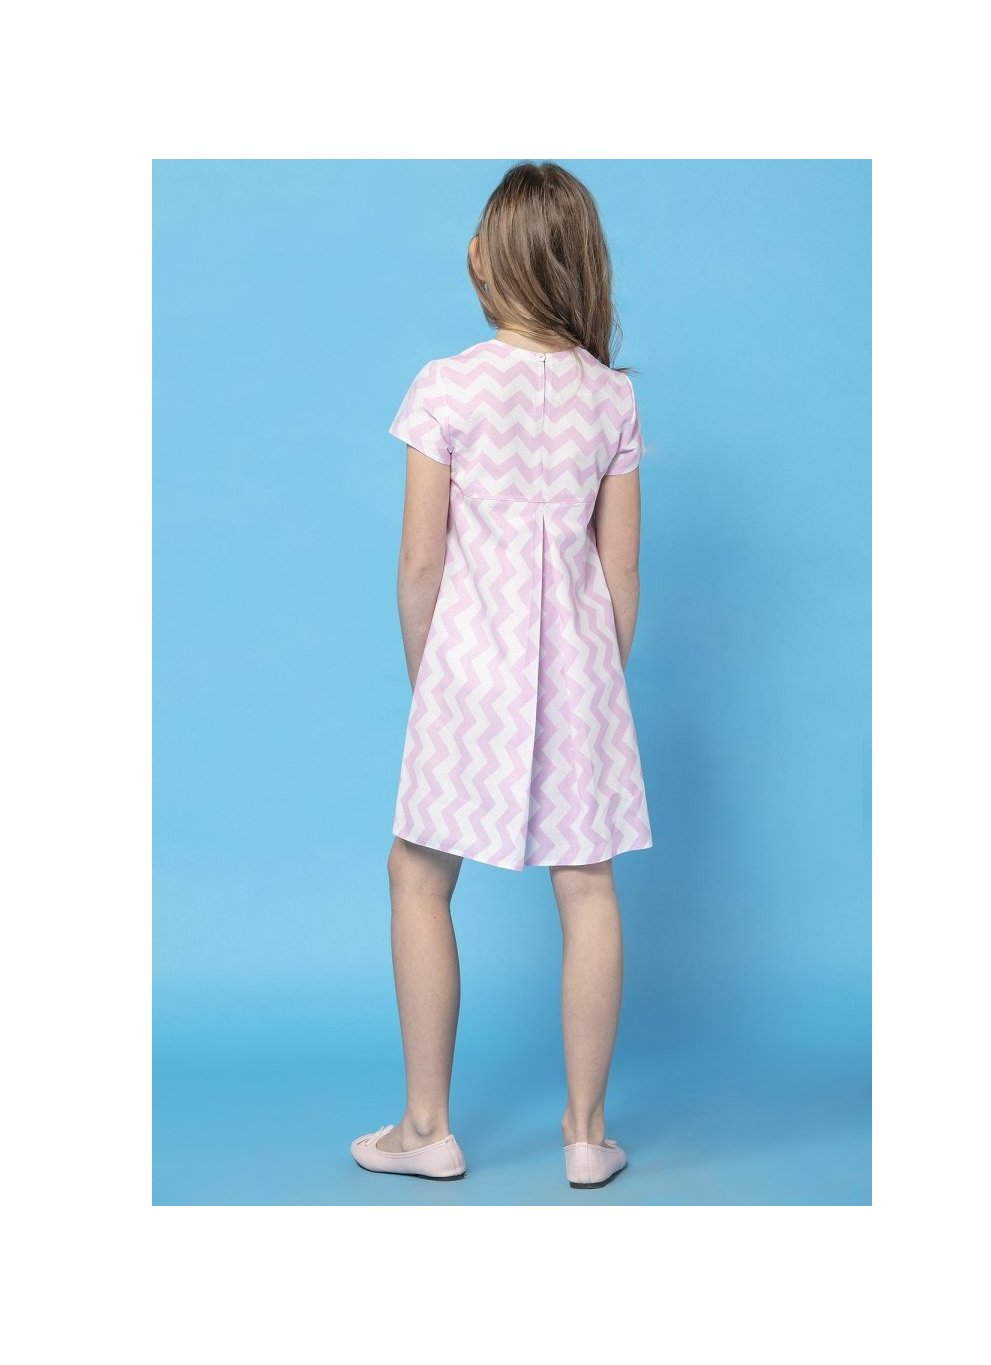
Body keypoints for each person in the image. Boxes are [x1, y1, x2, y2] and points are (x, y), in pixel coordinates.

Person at [351, 161, 652, 1190]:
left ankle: (425, 1126)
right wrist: (594, 685)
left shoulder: (445, 386)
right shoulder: (610, 398)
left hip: (468, 672)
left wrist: (429, 675)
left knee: (417, 874)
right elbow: (620, 571)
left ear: (485, 258)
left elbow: (419, 562)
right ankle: (587, 1133)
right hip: (581, 673)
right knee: (588, 883)